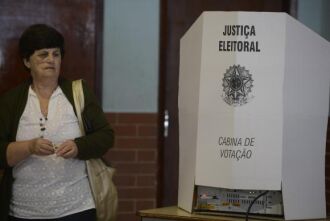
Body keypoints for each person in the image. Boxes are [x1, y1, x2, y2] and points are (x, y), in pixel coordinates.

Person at [0, 24, 114, 221]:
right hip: (23, 212)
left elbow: (106, 136)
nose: (51, 60)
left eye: (56, 54)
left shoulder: (78, 92)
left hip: (77, 209)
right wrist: (29, 147)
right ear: (27, 61)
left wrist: (78, 146)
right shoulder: (11, 101)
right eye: (43, 54)